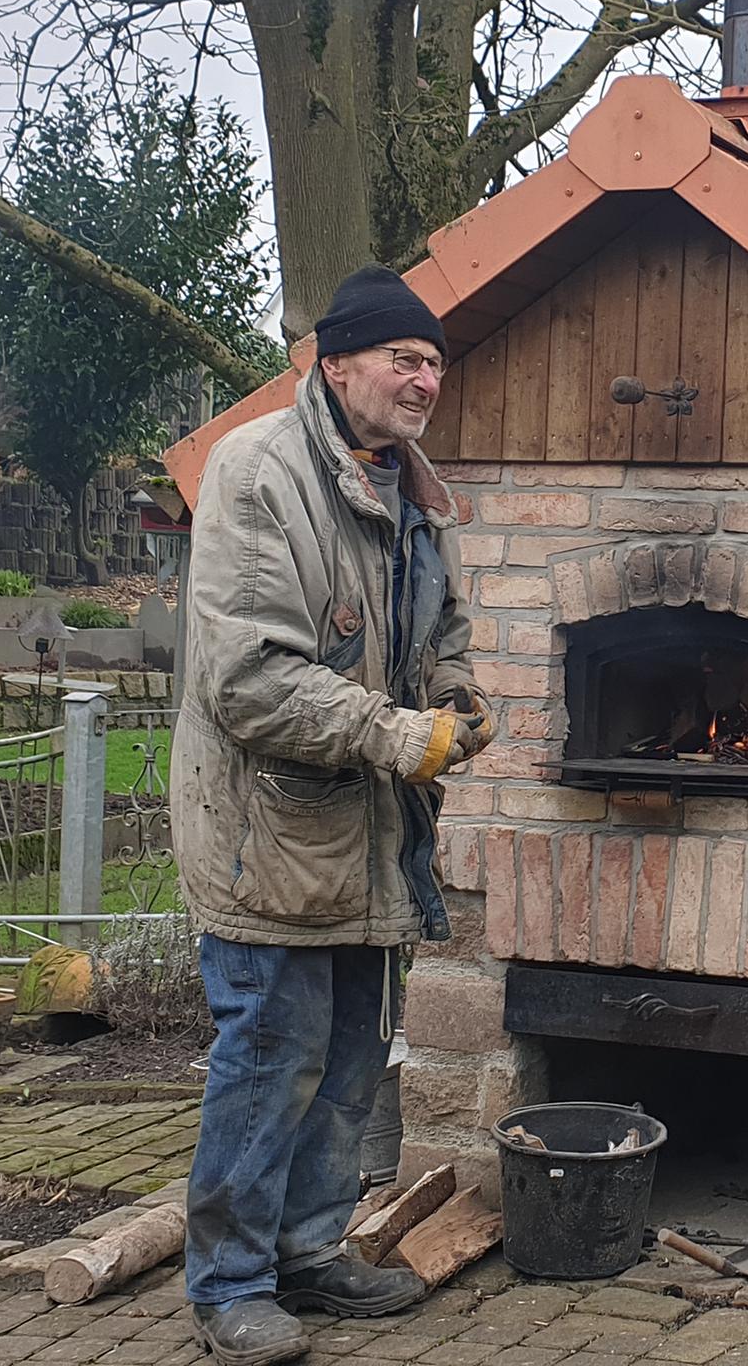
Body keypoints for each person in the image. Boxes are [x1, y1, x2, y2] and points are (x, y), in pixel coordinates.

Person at [170, 265, 491, 1366]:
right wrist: (403, 738)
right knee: (272, 1053)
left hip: (368, 838)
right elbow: (250, 679)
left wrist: (455, 701)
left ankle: (308, 1252)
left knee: (353, 1052)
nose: (424, 379)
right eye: (404, 358)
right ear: (335, 360)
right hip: (270, 835)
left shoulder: (414, 493)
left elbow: (437, 641)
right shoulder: (257, 473)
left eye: (435, 362)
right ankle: (228, 1286)